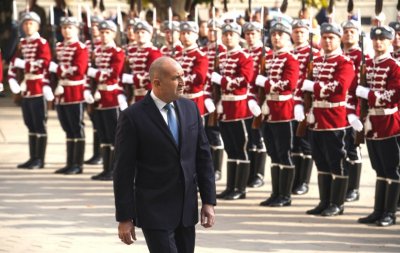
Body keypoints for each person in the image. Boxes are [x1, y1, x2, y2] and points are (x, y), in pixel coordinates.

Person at [113, 56, 216, 252]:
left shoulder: (190, 108)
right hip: (155, 209)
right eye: (176, 78)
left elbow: (203, 158)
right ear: (157, 83)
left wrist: (208, 201)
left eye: (183, 76)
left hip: (186, 209)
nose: (183, 82)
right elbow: (122, 171)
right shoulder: (133, 117)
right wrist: (125, 217)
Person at [301, 23, 356, 216]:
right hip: (317, 118)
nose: (327, 40)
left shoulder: (345, 62)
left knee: (337, 161)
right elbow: (304, 85)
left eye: (331, 37)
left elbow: (339, 87)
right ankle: (324, 201)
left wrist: (313, 87)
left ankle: (337, 203)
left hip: (335, 119)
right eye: (324, 37)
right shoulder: (316, 61)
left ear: (338, 39)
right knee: (321, 161)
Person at [356, 25, 400, 227]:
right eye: (375, 39)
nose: (378, 42)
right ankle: (378, 210)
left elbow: (392, 96)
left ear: (390, 41)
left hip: (389, 123)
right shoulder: (370, 65)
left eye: (382, 39)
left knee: (392, 169)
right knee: (379, 169)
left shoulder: (395, 66)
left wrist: (368, 94)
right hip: (372, 123)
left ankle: (390, 213)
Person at [256, 20, 299, 207]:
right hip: (269, 111)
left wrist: (265, 83)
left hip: (283, 111)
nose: (276, 37)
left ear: (288, 37)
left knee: (284, 152)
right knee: (273, 153)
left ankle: (285, 195)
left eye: (280, 34)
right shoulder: (270, 58)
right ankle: (276, 193)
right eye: (273, 34)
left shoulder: (291, 59)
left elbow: (289, 84)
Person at [211, 22, 254, 200]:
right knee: (230, 148)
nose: (228, 37)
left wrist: (221, 81)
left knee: (241, 147)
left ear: (238, 37)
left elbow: (244, 80)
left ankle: (240, 188)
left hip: (239, 108)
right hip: (225, 107)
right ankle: (231, 186)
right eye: (225, 34)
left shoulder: (244, 57)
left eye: (232, 34)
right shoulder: (222, 57)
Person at [8, 12, 52, 170]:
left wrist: (24, 64)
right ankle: (32, 157)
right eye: (25, 24)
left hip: (38, 88)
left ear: (37, 26)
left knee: (39, 124)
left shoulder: (42, 43)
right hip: (26, 89)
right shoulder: (22, 43)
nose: (28, 26)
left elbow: (44, 63)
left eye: (31, 23)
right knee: (30, 124)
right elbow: (14, 63)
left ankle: (40, 159)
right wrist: (13, 80)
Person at [49, 17, 89, 175]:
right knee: (67, 128)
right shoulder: (58, 47)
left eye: (70, 28)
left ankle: (77, 164)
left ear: (77, 30)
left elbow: (79, 69)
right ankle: (69, 162)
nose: (66, 30)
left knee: (76, 127)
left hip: (75, 92)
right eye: (64, 28)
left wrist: (58, 69)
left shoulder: (80, 48)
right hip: (61, 93)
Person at [87, 20, 125, 181]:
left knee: (113, 135)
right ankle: (105, 168)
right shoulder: (98, 51)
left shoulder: (117, 52)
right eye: (102, 32)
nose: (103, 35)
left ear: (114, 34)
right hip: (99, 97)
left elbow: (113, 75)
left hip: (111, 97)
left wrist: (93, 73)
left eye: (107, 32)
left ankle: (114, 170)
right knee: (102, 135)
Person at [291, 19, 320, 195]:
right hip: (290, 105)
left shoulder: (315, 55)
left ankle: (304, 182)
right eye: (296, 31)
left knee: (305, 144)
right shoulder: (288, 52)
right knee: (294, 145)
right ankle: (295, 180)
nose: (299, 35)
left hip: (306, 104)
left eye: (302, 32)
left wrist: (305, 104)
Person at [341, 19, 368, 202]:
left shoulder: (361, 56)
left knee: (353, 149)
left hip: (353, 109)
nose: (349, 34)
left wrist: (358, 113)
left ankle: (354, 188)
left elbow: (361, 85)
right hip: (338, 109)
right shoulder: (340, 54)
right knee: (341, 149)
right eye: (346, 31)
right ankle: (344, 185)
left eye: (352, 31)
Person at [243, 21, 271, 188]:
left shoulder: (266, 53)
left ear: (259, 35)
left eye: (253, 33)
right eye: (247, 34)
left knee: (259, 138)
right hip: (245, 100)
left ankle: (258, 174)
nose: (250, 37)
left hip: (260, 100)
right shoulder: (243, 53)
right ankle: (249, 173)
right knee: (248, 139)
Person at [201, 18, 226, 181]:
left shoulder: (223, 50)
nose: (212, 33)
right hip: (204, 95)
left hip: (217, 96)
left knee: (214, 134)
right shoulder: (203, 50)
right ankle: (206, 167)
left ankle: (216, 168)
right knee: (203, 134)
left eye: (215, 30)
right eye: (210, 30)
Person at [121, 20, 162, 102]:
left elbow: (152, 75)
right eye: (137, 32)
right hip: (135, 95)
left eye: (143, 32)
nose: (140, 35)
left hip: (150, 96)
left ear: (150, 35)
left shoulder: (154, 52)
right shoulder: (132, 52)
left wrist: (132, 79)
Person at [84, 15, 103, 166]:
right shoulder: (88, 44)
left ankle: (102, 154)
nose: (95, 28)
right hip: (91, 85)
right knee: (95, 122)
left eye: (98, 25)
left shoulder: (104, 45)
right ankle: (96, 153)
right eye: (94, 25)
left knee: (102, 123)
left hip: (103, 86)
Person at [178, 21, 208, 116]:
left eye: (189, 33)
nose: (186, 36)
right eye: (183, 33)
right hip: (179, 100)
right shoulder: (178, 55)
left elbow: (199, 78)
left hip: (194, 101)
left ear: (196, 36)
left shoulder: (200, 56)